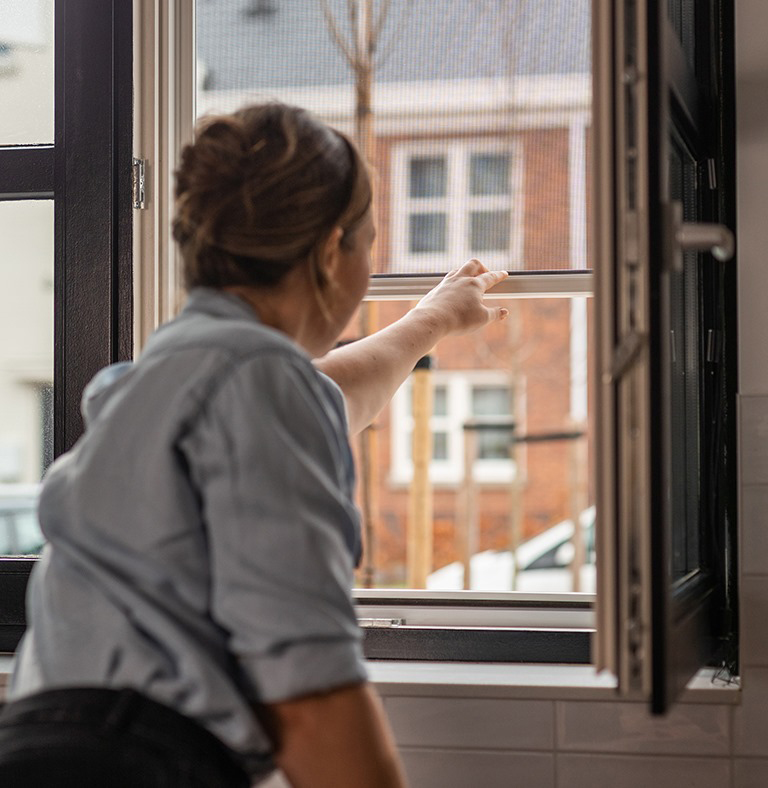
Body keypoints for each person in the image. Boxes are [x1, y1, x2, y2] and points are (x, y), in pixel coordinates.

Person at [0, 104, 509, 787]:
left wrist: (431, 319)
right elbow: (312, 704)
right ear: (331, 253)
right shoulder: (259, 385)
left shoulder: (154, 383)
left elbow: (328, 392)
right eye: (367, 244)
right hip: (133, 762)